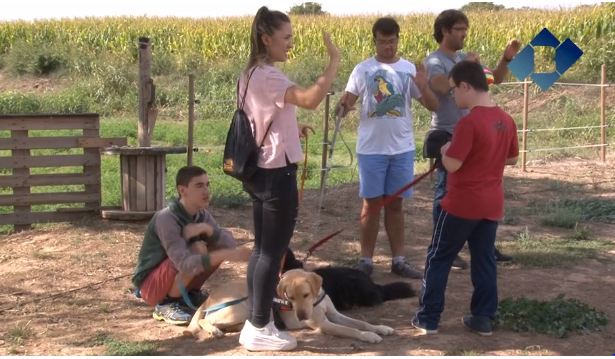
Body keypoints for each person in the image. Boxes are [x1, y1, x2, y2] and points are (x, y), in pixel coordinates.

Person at [237, 6, 340, 352]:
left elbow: (260, 117)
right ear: (266, 39)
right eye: (286, 37)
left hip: (257, 170)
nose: (290, 44)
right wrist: (334, 62)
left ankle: (257, 321)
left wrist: (291, 128)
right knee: (272, 252)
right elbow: (311, 99)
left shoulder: (249, 74)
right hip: (276, 174)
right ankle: (259, 325)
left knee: (261, 251)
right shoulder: (270, 76)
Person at [412, 60, 519, 336]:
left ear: (466, 86)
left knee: (439, 257)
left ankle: (428, 318)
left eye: (454, 90)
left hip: (461, 203)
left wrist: (446, 149)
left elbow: (453, 165)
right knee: (484, 260)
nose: (453, 96)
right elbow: (512, 158)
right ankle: (483, 317)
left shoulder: (468, 122)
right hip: (491, 203)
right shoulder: (506, 120)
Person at [336, 17, 438, 279]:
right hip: (370, 149)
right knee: (370, 206)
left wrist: (424, 84)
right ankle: (366, 261)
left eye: (391, 42)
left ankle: (399, 260)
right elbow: (349, 100)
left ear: (397, 40)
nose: (387, 47)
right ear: (375, 41)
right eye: (382, 42)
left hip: (402, 149)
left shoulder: (409, 70)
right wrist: (344, 106)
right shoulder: (362, 70)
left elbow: (432, 105)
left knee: (395, 205)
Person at [425, 9, 520, 267]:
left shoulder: (464, 60)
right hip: (449, 133)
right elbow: (442, 86)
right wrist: (465, 66)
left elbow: (494, 80)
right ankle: (443, 245)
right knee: (445, 191)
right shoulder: (435, 61)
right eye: (459, 29)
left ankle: (484, 245)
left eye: (465, 29)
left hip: (476, 133)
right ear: (444, 31)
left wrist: (506, 58)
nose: (464, 33)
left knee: (483, 187)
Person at [132, 166, 250, 325]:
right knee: (197, 251)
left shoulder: (200, 214)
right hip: (151, 287)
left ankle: (188, 292)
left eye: (207, 185)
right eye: (199, 186)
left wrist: (209, 231)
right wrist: (217, 254)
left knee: (214, 247)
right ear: (182, 190)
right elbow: (184, 263)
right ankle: (166, 304)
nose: (206, 191)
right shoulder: (166, 218)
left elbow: (229, 245)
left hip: (176, 276)